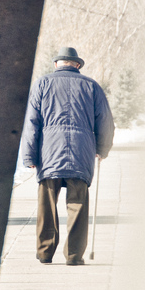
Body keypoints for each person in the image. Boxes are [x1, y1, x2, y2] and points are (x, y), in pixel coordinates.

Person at [22, 46, 115, 265]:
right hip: (81, 153)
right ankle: (74, 255)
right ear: (77, 65)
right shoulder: (92, 86)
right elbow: (106, 122)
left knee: (46, 205)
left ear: (56, 64)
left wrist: (30, 156)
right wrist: (102, 149)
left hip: (49, 153)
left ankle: (45, 252)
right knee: (78, 205)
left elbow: (32, 122)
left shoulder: (42, 84)